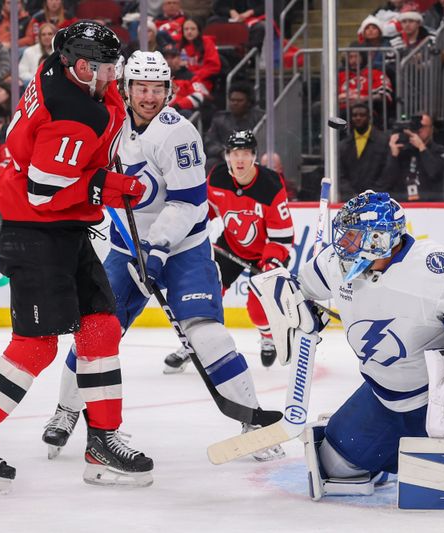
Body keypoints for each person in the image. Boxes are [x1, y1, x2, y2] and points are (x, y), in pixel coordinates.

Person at [0, 21, 151, 495]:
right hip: (32, 228)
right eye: (107, 67)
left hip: (59, 227)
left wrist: (100, 168)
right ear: (80, 66)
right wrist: (107, 186)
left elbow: (92, 132)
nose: (114, 74)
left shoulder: (63, 73)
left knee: (100, 327)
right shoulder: (75, 114)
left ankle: (102, 443)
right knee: (36, 345)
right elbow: (45, 191)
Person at [40, 51, 284, 462]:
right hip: (125, 249)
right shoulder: (107, 123)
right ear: (126, 88)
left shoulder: (179, 134)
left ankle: (253, 420)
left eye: (157, 89)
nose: (149, 96)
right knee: (95, 333)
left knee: (207, 334)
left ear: (168, 91)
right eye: (141, 88)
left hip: (183, 248)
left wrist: (157, 250)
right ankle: (67, 410)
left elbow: (189, 202)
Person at [260, 190, 444, 499]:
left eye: (353, 235)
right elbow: (299, 286)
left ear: (379, 239)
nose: (343, 243)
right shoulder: (336, 263)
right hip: (385, 397)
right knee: (336, 465)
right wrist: (293, 304)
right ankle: (387, 454)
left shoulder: (433, 270)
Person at [167, 129, 294, 369]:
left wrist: (270, 262)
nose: (240, 160)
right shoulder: (217, 177)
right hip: (231, 246)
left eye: (245, 153)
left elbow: (283, 237)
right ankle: (192, 343)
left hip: (267, 252)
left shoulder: (271, 185)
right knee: (205, 291)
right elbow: (206, 210)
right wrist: (189, 228)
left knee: (257, 311)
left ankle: (267, 335)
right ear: (227, 156)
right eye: (234, 154)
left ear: (254, 156)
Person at [379, 112, 444, 201]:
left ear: (431, 129)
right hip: (404, 204)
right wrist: (393, 156)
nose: (419, 129)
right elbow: (385, 183)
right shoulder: (402, 149)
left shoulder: (438, 150)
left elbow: (435, 173)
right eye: (416, 126)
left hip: (429, 205)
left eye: (422, 126)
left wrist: (422, 148)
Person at [203, 83, 264, 171]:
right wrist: (222, 152)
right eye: (232, 100)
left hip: (252, 156)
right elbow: (210, 141)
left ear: (248, 102)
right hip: (226, 157)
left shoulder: (260, 118)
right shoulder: (220, 118)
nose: (235, 103)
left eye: (239, 100)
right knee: (210, 163)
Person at [338, 103, 388, 200]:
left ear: (369, 117)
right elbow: (340, 175)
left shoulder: (383, 141)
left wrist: (370, 195)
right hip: (350, 200)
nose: (358, 118)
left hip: (376, 200)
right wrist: (352, 196)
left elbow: (386, 173)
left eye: (362, 115)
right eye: (355, 115)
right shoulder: (344, 145)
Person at [179, 17, 221, 94]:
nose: (189, 32)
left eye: (193, 29)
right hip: (182, 82)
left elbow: (213, 66)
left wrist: (194, 76)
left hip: (202, 81)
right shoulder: (179, 46)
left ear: (199, 30)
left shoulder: (207, 43)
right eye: (186, 29)